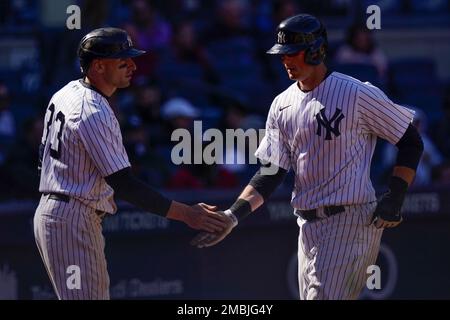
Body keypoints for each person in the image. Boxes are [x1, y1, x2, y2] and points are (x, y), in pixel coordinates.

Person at [191, 14, 424, 300]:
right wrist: (232, 215)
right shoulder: (282, 104)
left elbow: (410, 140)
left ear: (316, 50)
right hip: (307, 227)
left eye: (292, 52)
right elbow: (271, 172)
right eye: (282, 54)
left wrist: (396, 195)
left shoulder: (356, 93)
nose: (286, 60)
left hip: (350, 220)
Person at [33, 28, 229, 300]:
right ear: (99, 66)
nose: (133, 66)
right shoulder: (92, 110)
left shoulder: (66, 92)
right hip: (72, 217)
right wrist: (187, 214)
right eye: (123, 61)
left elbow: (42, 159)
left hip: (60, 211)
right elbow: (124, 184)